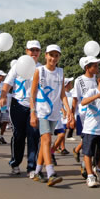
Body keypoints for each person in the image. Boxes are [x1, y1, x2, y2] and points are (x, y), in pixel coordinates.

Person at [30, 44, 74, 186]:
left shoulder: (60, 72)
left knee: (45, 142)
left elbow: (62, 94)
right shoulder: (39, 71)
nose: (53, 58)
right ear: (46, 55)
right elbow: (33, 93)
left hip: (54, 112)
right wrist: (32, 112)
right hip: (42, 111)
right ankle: (50, 173)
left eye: (56, 55)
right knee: (47, 140)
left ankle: (37, 171)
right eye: (51, 55)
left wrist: (68, 110)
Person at [0, 40, 42, 177]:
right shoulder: (18, 65)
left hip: (34, 106)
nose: (34, 53)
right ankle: (15, 163)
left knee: (33, 135)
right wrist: (3, 96)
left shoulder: (41, 68)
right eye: (31, 50)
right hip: (18, 105)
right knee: (18, 135)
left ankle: (31, 167)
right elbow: (7, 82)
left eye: (37, 50)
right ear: (26, 51)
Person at [72, 56, 100, 178]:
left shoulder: (99, 79)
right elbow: (75, 99)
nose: (97, 68)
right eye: (94, 66)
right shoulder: (79, 80)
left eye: (97, 65)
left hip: (97, 116)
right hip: (83, 116)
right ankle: (85, 166)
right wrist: (72, 116)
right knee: (87, 141)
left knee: (94, 142)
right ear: (87, 67)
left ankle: (91, 165)